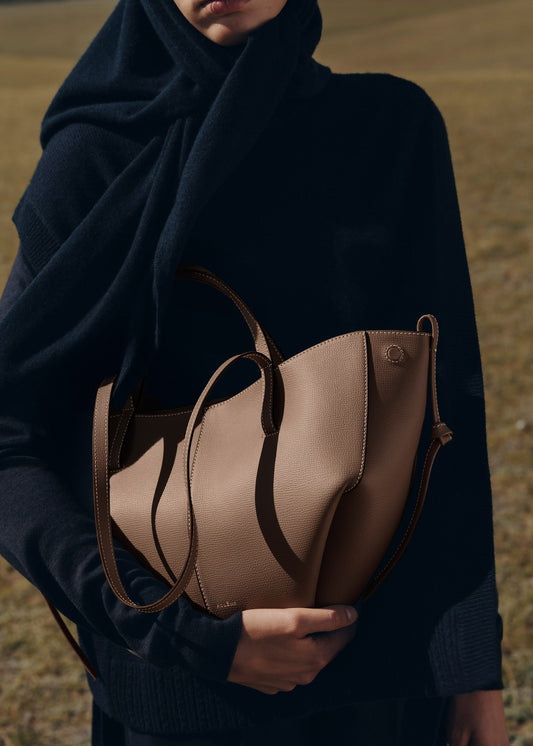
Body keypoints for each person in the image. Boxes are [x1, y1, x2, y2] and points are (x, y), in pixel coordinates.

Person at [0, 0, 510, 743]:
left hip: (386, 678)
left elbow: (447, 416)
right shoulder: (97, 156)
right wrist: (181, 633)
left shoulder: (392, 127)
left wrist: (472, 674)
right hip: (185, 697)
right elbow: (9, 435)